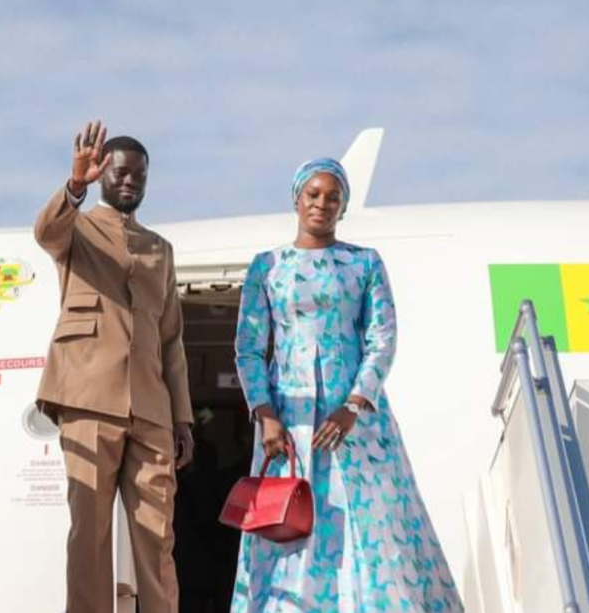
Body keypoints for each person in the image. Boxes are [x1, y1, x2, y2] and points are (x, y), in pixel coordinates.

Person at [230, 158, 464, 613]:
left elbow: (383, 338)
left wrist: (354, 405)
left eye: (332, 197)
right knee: (288, 522)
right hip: (289, 426)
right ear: (296, 198)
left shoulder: (364, 262)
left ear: (343, 206)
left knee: (372, 523)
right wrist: (265, 415)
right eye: (313, 194)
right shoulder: (267, 266)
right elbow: (248, 349)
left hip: (354, 421)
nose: (322, 203)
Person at [34, 119, 194, 613]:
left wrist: (182, 417)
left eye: (139, 174)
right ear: (103, 173)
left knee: (156, 534)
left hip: (150, 408)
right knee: (90, 532)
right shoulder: (76, 230)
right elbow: (45, 232)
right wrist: (74, 185)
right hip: (87, 396)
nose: (129, 181)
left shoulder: (159, 249)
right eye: (120, 171)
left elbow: (172, 340)